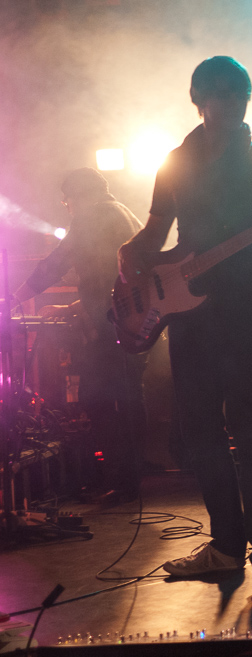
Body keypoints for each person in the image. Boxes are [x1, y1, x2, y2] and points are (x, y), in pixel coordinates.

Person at [117, 56, 252, 600]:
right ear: (199, 99)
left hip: (246, 315)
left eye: (240, 96)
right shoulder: (175, 162)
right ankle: (225, 546)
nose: (231, 105)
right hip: (189, 320)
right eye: (221, 96)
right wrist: (130, 256)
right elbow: (154, 233)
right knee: (202, 434)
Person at [13, 167, 145, 502]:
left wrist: (14, 298)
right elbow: (110, 280)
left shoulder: (93, 216)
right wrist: (74, 306)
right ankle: (132, 474)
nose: (67, 207)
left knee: (96, 398)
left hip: (111, 327)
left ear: (78, 196)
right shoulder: (123, 213)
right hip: (131, 323)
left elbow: (56, 263)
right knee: (126, 399)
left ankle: (122, 480)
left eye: (67, 200)